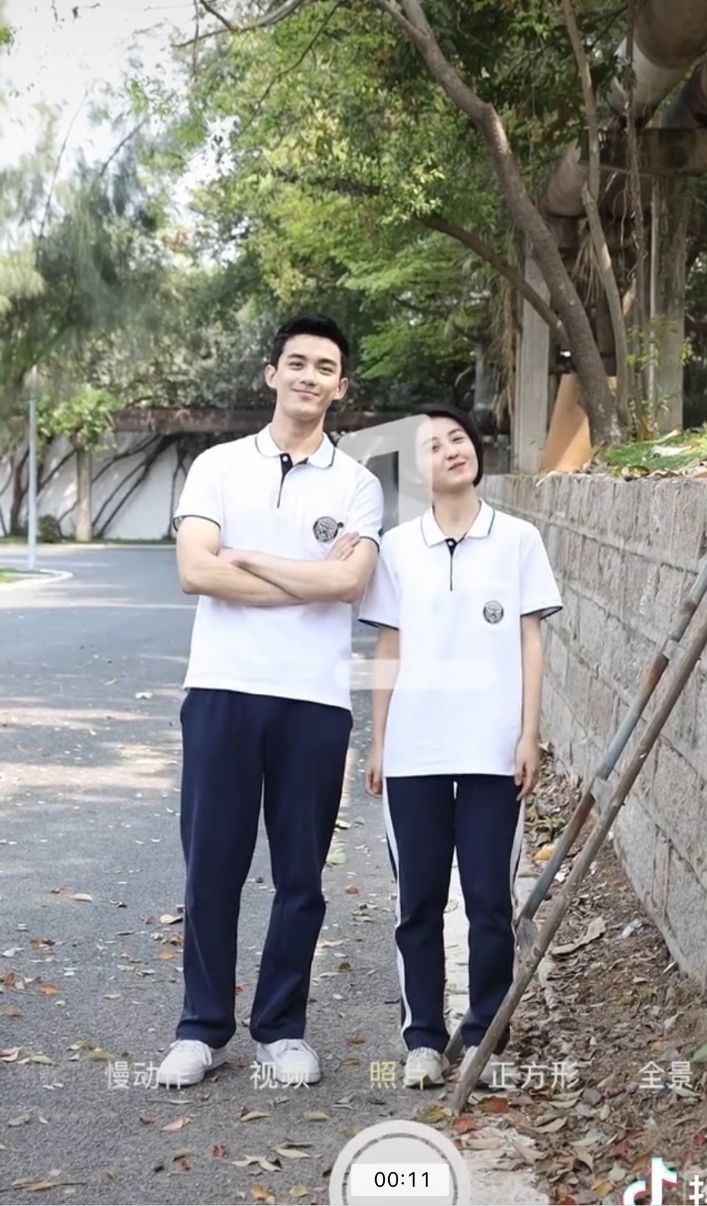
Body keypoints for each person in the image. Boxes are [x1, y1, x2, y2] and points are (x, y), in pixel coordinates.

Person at [157, 314, 383, 1089]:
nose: (309, 376)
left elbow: (350, 584)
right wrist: (306, 578)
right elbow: (196, 571)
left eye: (325, 367)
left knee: (300, 877)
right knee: (211, 869)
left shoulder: (357, 484)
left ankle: (282, 1030)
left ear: (340, 387)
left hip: (313, 700)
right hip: (221, 688)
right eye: (297, 362)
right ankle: (201, 1028)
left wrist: (248, 557)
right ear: (272, 374)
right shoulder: (218, 466)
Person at [360, 403, 561, 1089]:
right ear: (417, 470)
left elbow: (531, 640)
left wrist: (529, 733)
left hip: (492, 752)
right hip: (414, 752)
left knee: (488, 901)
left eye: (458, 438)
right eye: (433, 445)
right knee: (416, 901)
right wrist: (379, 741)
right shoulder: (396, 547)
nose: (451, 449)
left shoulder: (518, 539)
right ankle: (422, 1038)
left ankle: (484, 1036)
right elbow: (388, 647)